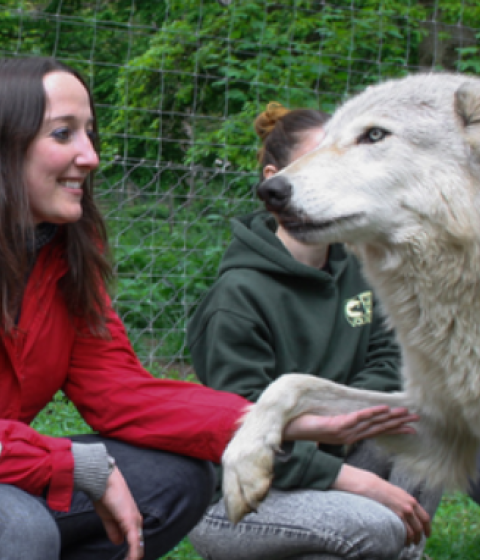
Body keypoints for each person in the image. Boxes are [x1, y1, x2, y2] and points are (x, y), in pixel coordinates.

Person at [0, 57, 419, 560]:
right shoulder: (239, 294)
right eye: (63, 133)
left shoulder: (62, 255)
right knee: (20, 527)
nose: (90, 155)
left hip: (21, 462)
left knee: (171, 479)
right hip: (258, 489)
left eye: (90, 132)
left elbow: (121, 392)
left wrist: (285, 419)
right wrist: (73, 465)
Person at [187, 102, 443, 560]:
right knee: (373, 527)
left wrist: (338, 421)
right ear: (273, 180)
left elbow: (392, 363)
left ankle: (397, 547)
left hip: (338, 454)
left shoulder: (363, 268)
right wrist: (348, 477)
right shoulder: (236, 299)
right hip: (241, 495)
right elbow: (233, 431)